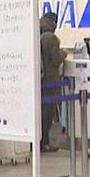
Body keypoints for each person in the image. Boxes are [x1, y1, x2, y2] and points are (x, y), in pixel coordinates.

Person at [39, 12, 66, 153]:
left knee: (38, 113)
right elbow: (56, 59)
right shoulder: (51, 38)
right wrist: (64, 54)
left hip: (37, 81)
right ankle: (44, 143)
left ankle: (36, 142)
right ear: (54, 23)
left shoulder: (35, 32)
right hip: (48, 81)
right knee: (47, 113)